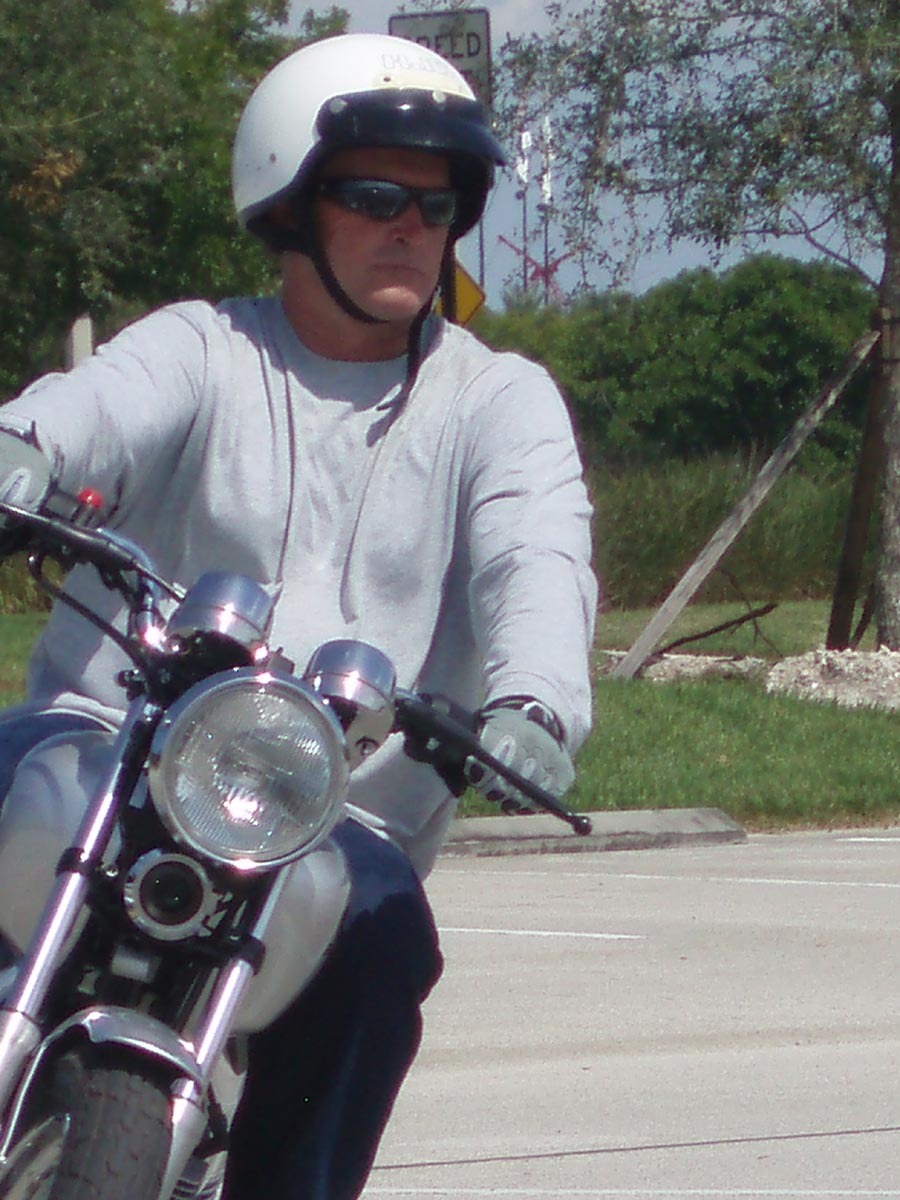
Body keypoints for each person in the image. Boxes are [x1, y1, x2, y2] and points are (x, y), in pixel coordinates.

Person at [0, 32, 597, 1200]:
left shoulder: (499, 401)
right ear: (291, 200)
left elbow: (537, 558)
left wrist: (535, 704)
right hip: (107, 742)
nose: (411, 228)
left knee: (386, 944)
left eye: (437, 204)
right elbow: (94, 411)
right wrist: (24, 448)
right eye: (375, 197)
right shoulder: (202, 347)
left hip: (331, 816)